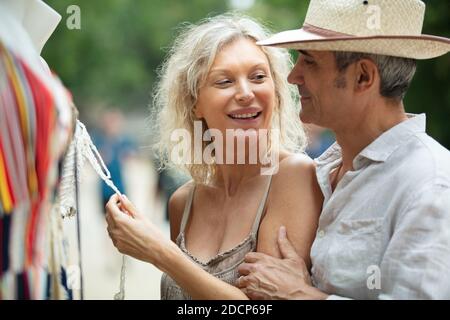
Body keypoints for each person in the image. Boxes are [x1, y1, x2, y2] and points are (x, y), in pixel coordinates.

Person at [237, 0, 450, 299]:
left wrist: (300, 294)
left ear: (363, 76)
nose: (292, 76)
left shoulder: (431, 184)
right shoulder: (319, 171)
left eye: (309, 61)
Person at [105, 13, 323, 299]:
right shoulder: (182, 203)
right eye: (224, 82)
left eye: (258, 77)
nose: (246, 93)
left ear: (277, 91)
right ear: (195, 103)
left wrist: (160, 252)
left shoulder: (294, 177)